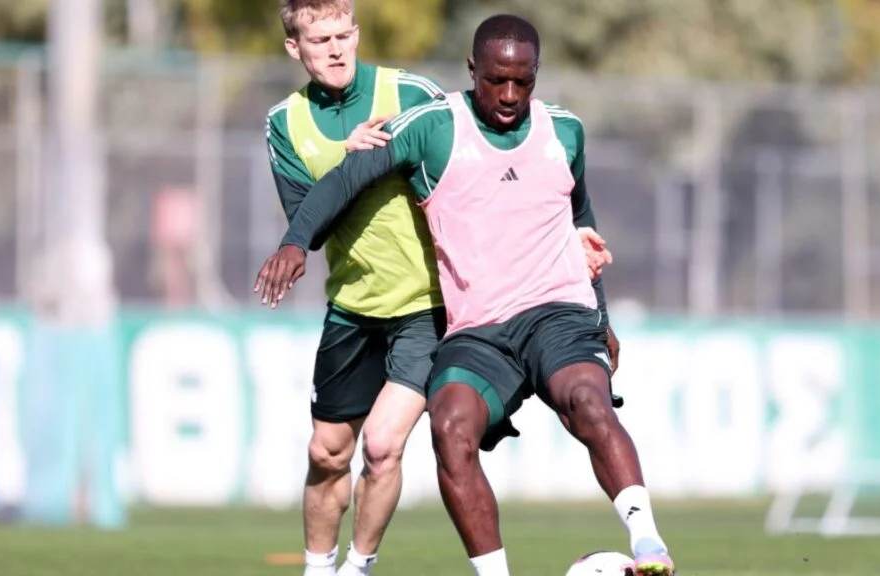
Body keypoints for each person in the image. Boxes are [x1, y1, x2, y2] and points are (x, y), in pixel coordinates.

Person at [254, 13, 675, 576]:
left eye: (523, 81)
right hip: (451, 322)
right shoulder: (424, 125)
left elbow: (580, 219)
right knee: (419, 431)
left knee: (581, 402)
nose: (510, 95)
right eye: (497, 80)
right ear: (472, 70)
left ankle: (648, 543)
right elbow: (346, 178)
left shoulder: (560, 130)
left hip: (517, 311)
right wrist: (295, 242)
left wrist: (600, 313)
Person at [264, 2, 448, 575]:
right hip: (352, 307)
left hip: (425, 305)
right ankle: (317, 567)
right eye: (320, 40)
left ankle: (358, 566)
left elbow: (459, 179)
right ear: (295, 47)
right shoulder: (285, 122)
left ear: (357, 33)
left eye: (344, 35)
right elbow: (310, 227)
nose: (336, 49)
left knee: (383, 445)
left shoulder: (411, 94)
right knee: (326, 453)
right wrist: (349, 161)